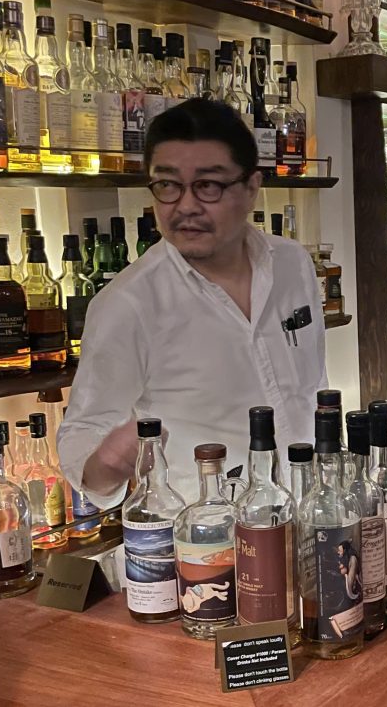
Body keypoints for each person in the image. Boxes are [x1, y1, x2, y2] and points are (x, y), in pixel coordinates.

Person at [58, 98, 326, 506]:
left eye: (208, 185)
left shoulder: (293, 264)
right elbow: (84, 449)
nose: (185, 206)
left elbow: (312, 390)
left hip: (308, 515)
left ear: (252, 186)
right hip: (207, 544)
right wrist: (112, 460)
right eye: (167, 185)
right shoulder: (129, 303)